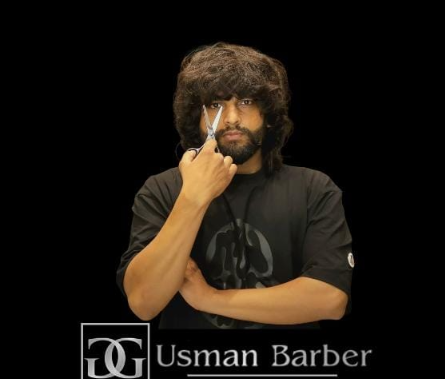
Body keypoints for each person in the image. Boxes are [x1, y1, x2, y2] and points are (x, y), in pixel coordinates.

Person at [117, 42, 354, 329]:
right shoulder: (162, 190)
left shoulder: (313, 189)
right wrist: (193, 198)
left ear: (268, 114)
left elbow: (330, 300)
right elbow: (144, 302)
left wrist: (208, 298)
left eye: (246, 102)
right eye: (215, 105)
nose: (231, 118)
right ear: (197, 117)